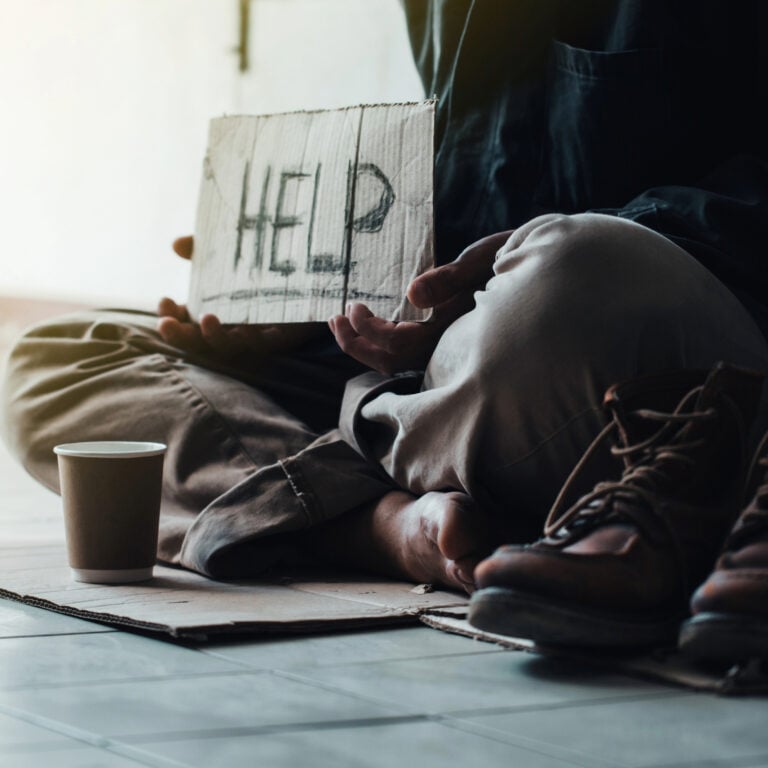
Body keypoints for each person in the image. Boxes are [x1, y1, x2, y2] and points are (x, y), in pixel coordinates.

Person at [3, 1, 768, 653]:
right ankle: (387, 526)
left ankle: (342, 488)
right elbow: (477, 188)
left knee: (572, 273)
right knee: (60, 355)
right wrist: (313, 306)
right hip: (458, 367)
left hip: (629, 337)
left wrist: (525, 262)